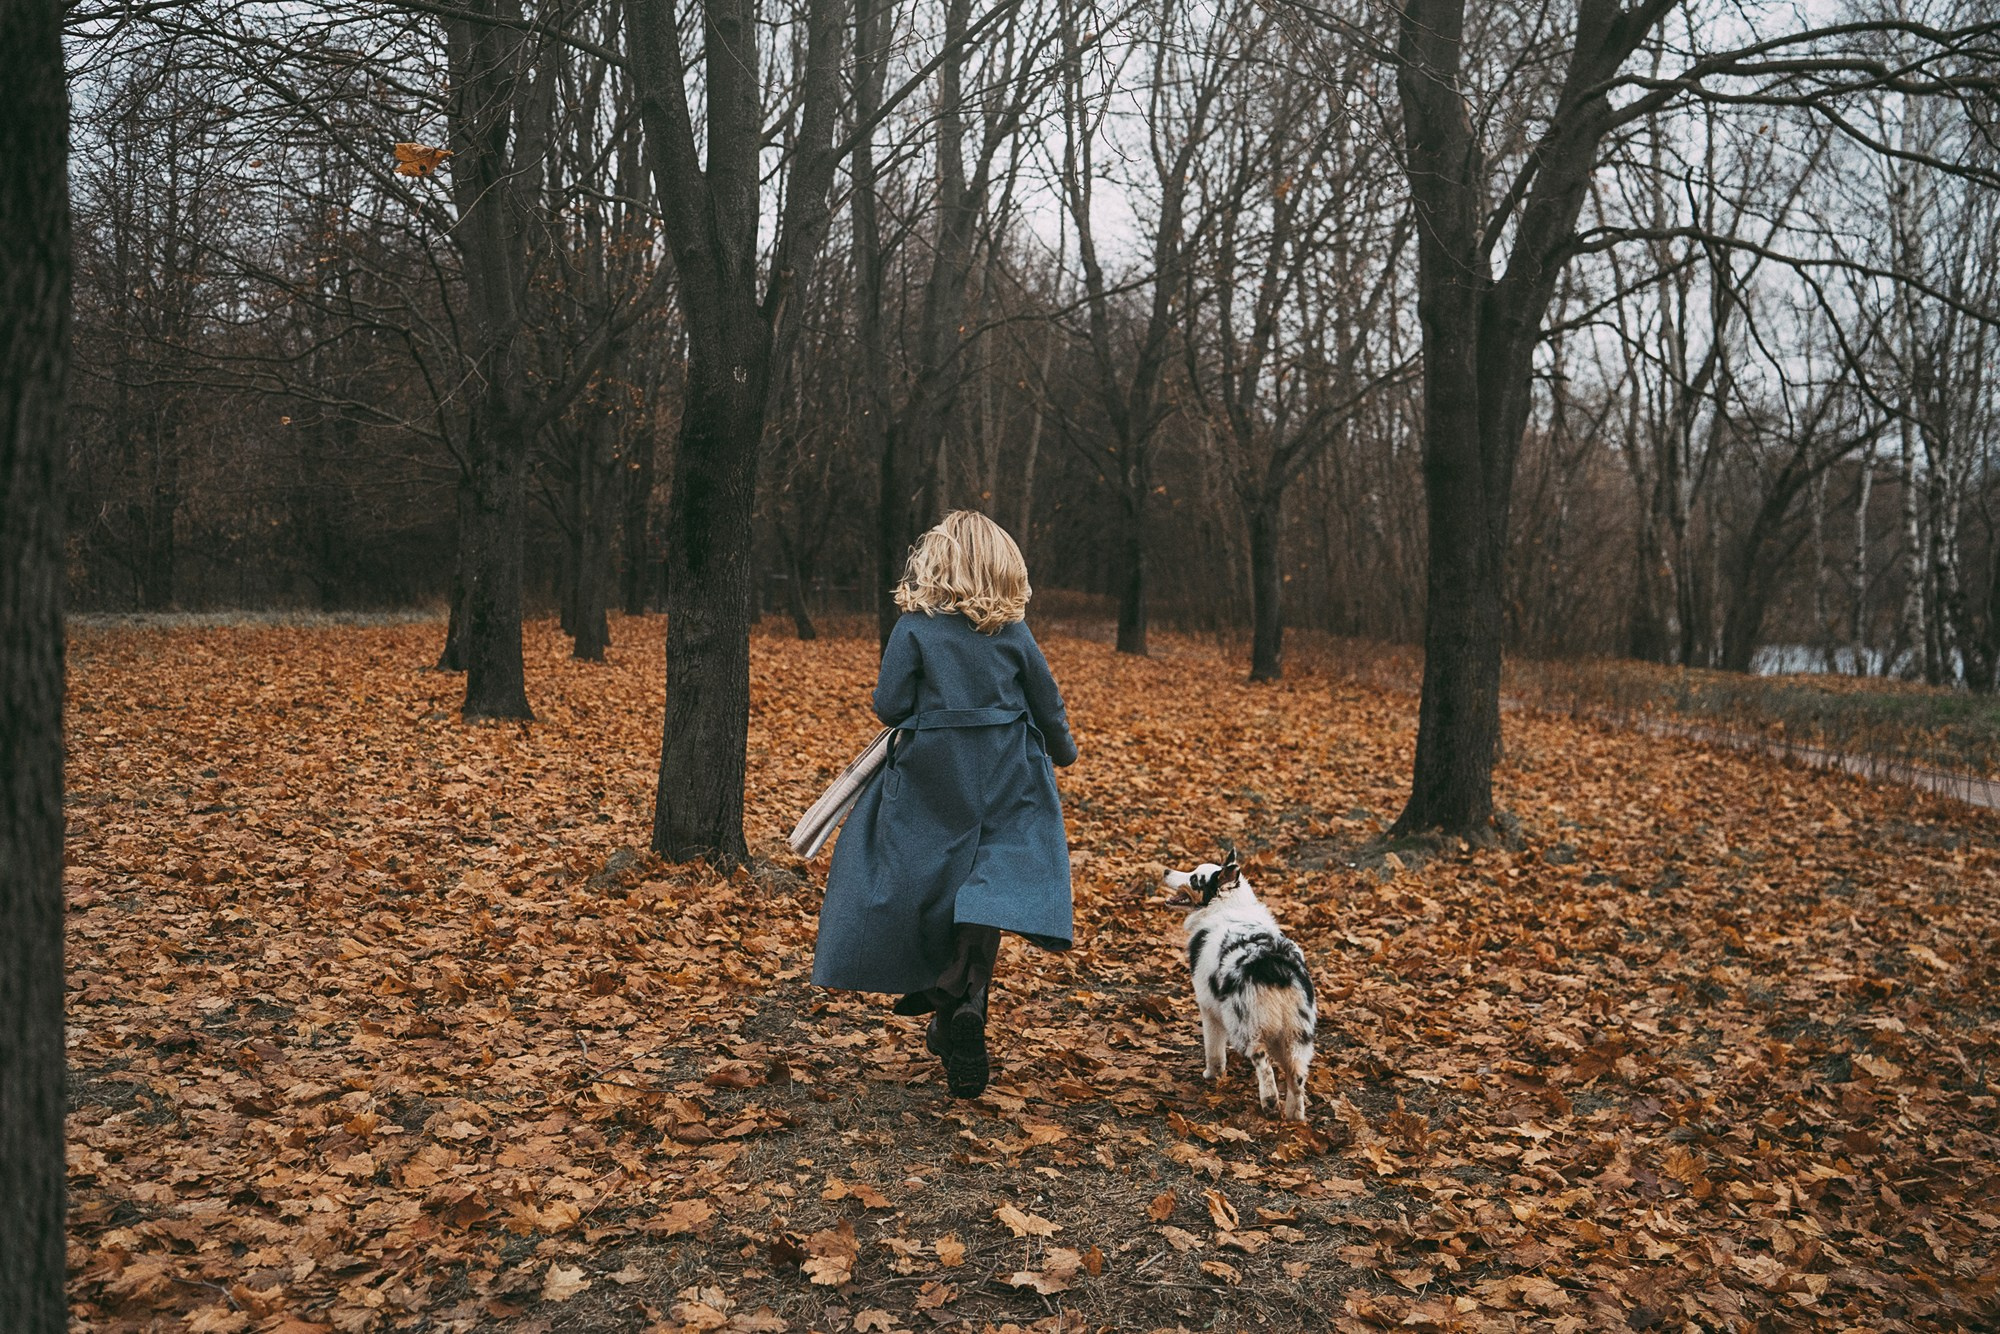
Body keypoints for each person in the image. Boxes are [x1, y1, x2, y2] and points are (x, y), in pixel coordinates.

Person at [811, 511, 1078, 1097]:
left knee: (932, 878)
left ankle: (946, 993)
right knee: (990, 885)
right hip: (1011, 773)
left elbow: (889, 703)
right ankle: (965, 1000)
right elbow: (1047, 700)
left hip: (935, 773)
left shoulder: (915, 627)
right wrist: (1063, 753)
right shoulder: (1012, 632)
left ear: (938, 563)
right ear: (1001, 566)